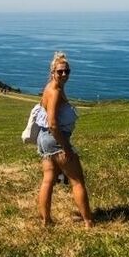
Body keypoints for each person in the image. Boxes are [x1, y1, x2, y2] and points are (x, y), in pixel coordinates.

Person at [36, 51, 93, 227]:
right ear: (52, 71)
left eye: (67, 71)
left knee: (48, 181)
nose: (64, 74)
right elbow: (53, 123)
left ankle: (46, 221)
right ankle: (88, 222)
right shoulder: (54, 91)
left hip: (44, 139)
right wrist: (65, 147)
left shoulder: (50, 88)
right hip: (55, 139)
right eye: (60, 71)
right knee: (77, 181)